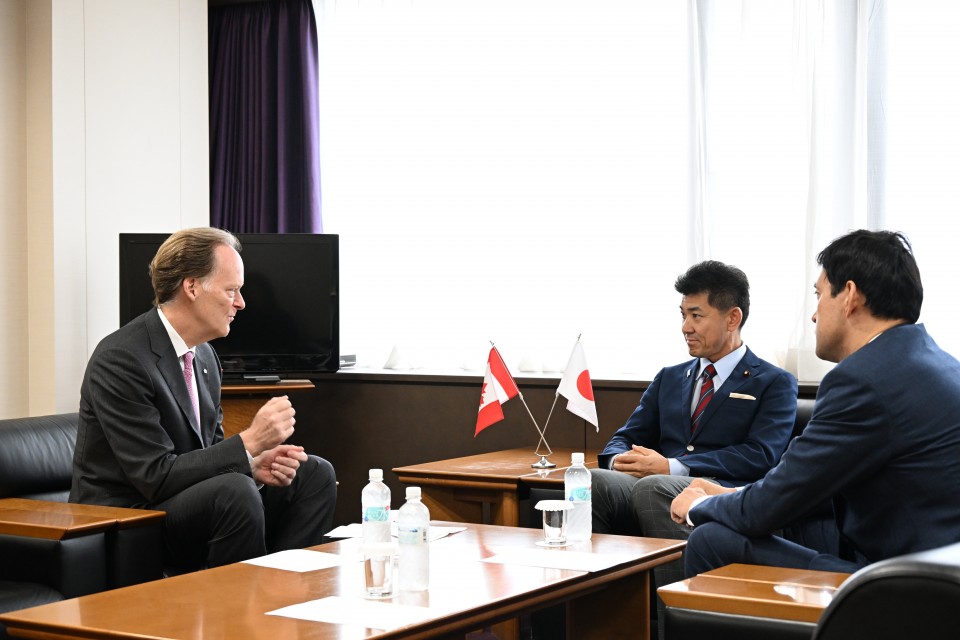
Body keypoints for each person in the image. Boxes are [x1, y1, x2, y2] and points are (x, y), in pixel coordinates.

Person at [671, 229, 960, 577]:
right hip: (939, 565)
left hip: (907, 586)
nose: (813, 316)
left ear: (849, 296)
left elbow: (766, 509)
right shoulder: (936, 362)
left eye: (819, 295)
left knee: (712, 540)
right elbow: (804, 484)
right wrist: (735, 494)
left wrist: (700, 505)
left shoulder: (862, 381)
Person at [71, 227, 337, 571]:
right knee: (235, 492)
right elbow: (154, 476)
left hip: (183, 499)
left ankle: (283, 592)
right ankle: (235, 615)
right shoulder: (121, 358)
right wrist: (250, 441)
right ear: (192, 287)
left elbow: (207, 450)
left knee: (312, 474)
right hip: (127, 514)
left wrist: (255, 465)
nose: (241, 303)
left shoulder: (205, 357)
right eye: (232, 290)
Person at [592, 260, 797, 636]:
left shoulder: (774, 382)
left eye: (696, 315)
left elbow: (761, 455)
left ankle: (677, 625)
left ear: (732, 317)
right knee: (593, 480)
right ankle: (601, 624)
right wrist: (623, 459)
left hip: (717, 494)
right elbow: (623, 436)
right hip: (649, 483)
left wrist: (672, 467)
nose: (685, 327)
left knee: (655, 488)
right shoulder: (671, 377)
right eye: (683, 314)